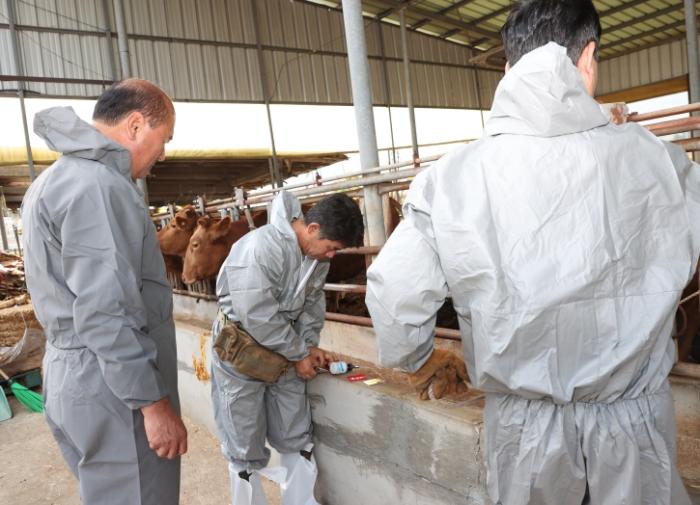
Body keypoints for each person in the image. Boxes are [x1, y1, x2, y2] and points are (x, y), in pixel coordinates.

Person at [365, 1, 700, 504]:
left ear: (507, 67)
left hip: (524, 436)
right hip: (634, 429)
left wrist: (416, 355)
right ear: (587, 58)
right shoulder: (659, 161)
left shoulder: (452, 179)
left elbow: (394, 300)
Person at [22, 79, 187, 505]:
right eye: (164, 138)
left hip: (71, 372)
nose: (162, 154)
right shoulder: (98, 186)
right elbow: (105, 311)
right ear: (135, 125)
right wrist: (152, 404)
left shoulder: (52, 180)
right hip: (113, 387)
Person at [211, 190, 364, 505]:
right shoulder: (260, 248)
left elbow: (312, 303)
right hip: (242, 351)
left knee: (296, 432)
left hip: (286, 350)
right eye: (332, 247)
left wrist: (308, 345)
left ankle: (300, 500)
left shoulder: (316, 258)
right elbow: (257, 314)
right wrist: (299, 353)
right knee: (243, 441)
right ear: (313, 229)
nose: (332, 255)